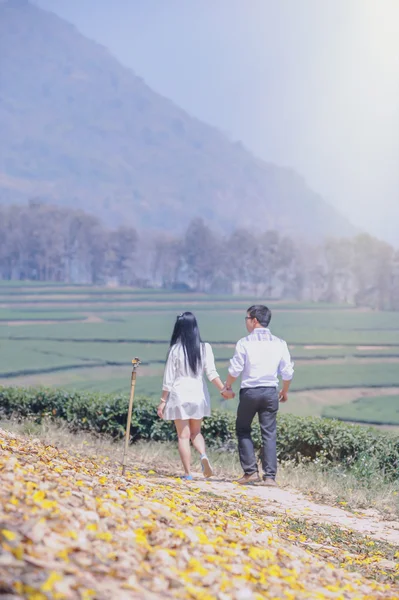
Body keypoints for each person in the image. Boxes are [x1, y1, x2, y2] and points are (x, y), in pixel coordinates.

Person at [221, 305, 294, 486]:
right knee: (269, 433)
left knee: (243, 429)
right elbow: (287, 372)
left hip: (250, 392)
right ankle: (270, 477)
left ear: (254, 320)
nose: (246, 322)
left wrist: (227, 385)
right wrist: (284, 391)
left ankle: (251, 472)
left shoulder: (244, 343)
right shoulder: (280, 343)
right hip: (270, 392)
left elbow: (235, 369)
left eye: (246, 319)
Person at [157, 311, 233, 480]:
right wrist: (223, 390)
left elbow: (168, 378)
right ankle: (203, 455)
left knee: (183, 436)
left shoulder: (175, 350)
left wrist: (163, 401)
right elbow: (212, 373)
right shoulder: (205, 348)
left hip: (179, 394)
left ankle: (188, 474)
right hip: (198, 394)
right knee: (196, 432)